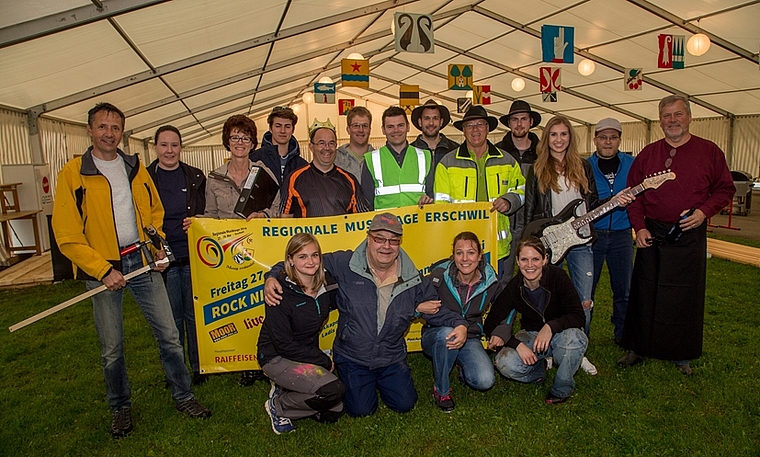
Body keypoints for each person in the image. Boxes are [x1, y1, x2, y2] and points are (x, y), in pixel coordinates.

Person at [52, 103, 210, 438]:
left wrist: (157, 246)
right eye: (102, 127)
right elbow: (66, 235)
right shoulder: (73, 173)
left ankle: (183, 395)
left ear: (122, 131)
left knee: (169, 335)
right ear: (90, 130)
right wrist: (100, 269)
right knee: (112, 348)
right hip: (103, 267)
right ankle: (120, 406)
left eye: (115, 127)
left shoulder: (134, 168)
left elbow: (154, 212)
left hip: (141, 260)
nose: (109, 133)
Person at [264, 212, 468, 417]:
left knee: (405, 404)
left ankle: (389, 380)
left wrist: (459, 324)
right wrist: (272, 276)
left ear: (399, 243)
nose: (386, 246)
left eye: (393, 241)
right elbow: (304, 261)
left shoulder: (411, 277)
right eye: (379, 239)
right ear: (368, 238)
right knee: (361, 410)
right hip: (353, 355)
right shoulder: (345, 263)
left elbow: (436, 308)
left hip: (390, 355)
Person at [618, 95, 735, 375]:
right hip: (652, 232)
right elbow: (633, 193)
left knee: (684, 295)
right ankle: (638, 346)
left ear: (689, 117)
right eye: (667, 116)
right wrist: (639, 226)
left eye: (678, 114)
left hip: (689, 231)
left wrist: (704, 212)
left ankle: (680, 352)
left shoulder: (710, 152)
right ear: (660, 121)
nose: (672, 121)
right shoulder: (648, 153)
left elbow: (724, 190)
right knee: (645, 291)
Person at [524, 115, 631, 376]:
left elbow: (592, 205)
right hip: (551, 242)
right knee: (547, 298)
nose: (559, 140)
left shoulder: (583, 167)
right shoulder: (537, 169)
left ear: (570, 138)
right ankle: (547, 349)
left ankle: (578, 349)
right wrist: (532, 243)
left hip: (582, 241)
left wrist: (614, 201)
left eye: (564, 134)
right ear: (547, 138)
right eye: (554, 134)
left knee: (584, 299)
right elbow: (530, 210)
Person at [192, 114, 280, 386]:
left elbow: (276, 209)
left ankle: (260, 360)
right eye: (234, 137)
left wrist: (263, 215)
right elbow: (208, 215)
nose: (240, 142)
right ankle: (238, 358)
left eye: (245, 137)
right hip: (228, 255)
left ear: (253, 142)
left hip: (260, 253)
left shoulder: (264, 173)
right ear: (227, 142)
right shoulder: (214, 177)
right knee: (236, 309)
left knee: (259, 307)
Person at [257, 233, 345, 434]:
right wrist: (322, 360)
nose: (310, 261)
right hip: (276, 356)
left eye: (315, 255)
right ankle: (278, 406)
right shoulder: (279, 291)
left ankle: (290, 388)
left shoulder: (326, 283)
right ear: (290, 260)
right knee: (333, 391)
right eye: (302, 256)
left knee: (334, 410)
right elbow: (283, 344)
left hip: (304, 353)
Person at [484, 237, 588, 405]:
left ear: (545, 259)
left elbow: (578, 316)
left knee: (574, 341)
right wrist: (516, 344)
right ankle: (538, 372)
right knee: (504, 363)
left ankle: (561, 388)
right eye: (524, 259)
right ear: (517, 261)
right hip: (531, 334)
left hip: (563, 333)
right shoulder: (515, 287)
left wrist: (550, 327)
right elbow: (490, 323)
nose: (530, 265)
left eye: (535, 259)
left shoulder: (557, 277)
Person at [434, 105, 525, 279]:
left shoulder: (507, 160)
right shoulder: (447, 163)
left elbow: (521, 189)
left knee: (499, 292)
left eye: (480, 124)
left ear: (488, 128)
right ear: (463, 130)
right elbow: (441, 205)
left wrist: (509, 200)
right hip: (464, 248)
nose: (475, 129)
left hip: (497, 244)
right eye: (470, 125)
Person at [146, 125, 207, 385]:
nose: (169, 150)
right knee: (171, 318)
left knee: (195, 315)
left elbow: (206, 213)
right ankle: (176, 370)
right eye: (164, 145)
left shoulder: (195, 176)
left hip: (192, 256)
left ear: (181, 147)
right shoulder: (144, 179)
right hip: (163, 260)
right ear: (155, 147)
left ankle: (198, 366)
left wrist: (197, 221)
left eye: (174, 145)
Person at [422, 231, 503, 412]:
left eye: (471, 252)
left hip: (470, 338)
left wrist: (500, 332)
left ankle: (460, 363)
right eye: (459, 253)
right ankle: (441, 390)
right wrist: (459, 323)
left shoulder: (490, 280)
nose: (465, 258)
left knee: (484, 380)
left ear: (480, 256)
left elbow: (505, 307)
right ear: (453, 255)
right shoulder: (439, 275)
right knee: (446, 335)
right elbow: (421, 304)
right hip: (436, 335)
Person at [587, 118, 635, 346]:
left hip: (622, 234)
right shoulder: (585, 166)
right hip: (593, 236)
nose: (608, 142)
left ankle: (623, 333)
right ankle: (581, 333)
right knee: (586, 289)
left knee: (623, 288)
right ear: (595, 140)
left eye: (613, 137)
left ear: (619, 140)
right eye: (603, 137)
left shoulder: (632, 164)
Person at [280, 118, 370, 217]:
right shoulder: (294, 179)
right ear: (311, 147)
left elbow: (363, 218)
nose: (327, 148)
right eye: (321, 143)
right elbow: (285, 219)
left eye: (331, 143)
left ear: (336, 146)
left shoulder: (350, 180)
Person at [495, 100, 542, 276]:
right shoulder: (498, 153)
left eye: (523, 119)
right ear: (509, 123)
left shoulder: (542, 153)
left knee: (534, 274)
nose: (519, 124)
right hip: (504, 224)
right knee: (503, 277)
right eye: (515, 119)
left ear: (531, 122)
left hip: (533, 223)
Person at [361, 106, 435, 210]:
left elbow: (432, 195)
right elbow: (367, 203)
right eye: (390, 127)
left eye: (400, 125)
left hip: (417, 224)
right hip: (385, 225)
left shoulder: (425, 157)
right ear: (383, 130)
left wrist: (429, 202)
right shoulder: (371, 160)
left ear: (408, 127)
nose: (396, 130)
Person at [249, 107, 307, 186]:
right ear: (270, 128)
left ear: (293, 130)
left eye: (287, 126)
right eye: (278, 126)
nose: (282, 131)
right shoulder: (254, 159)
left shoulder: (302, 165)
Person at [410, 99, 459, 166]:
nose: (431, 123)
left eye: (435, 118)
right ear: (420, 122)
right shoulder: (410, 151)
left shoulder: (455, 150)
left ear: (441, 122)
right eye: (427, 118)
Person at [335, 106, 374, 182]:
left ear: (370, 129)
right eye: (356, 125)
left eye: (365, 126)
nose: (361, 130)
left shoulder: (378, 158)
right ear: (348, 129)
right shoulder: (336, 159)